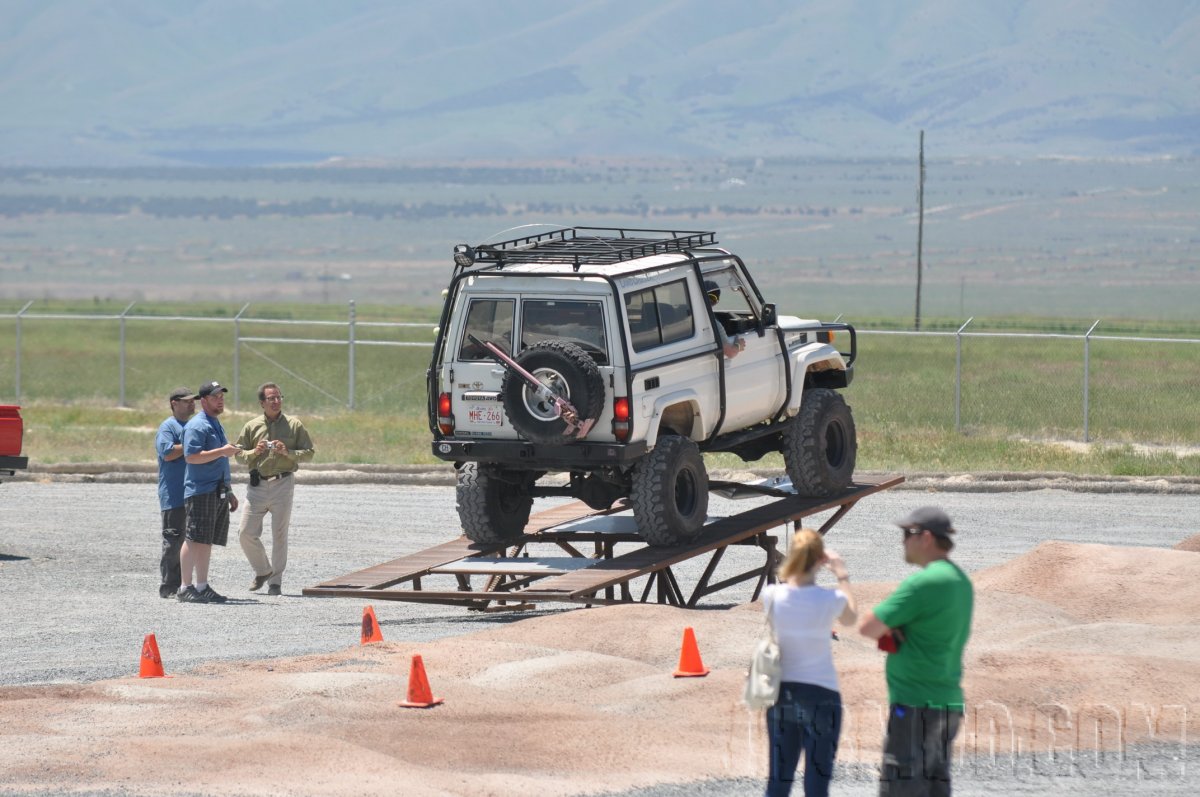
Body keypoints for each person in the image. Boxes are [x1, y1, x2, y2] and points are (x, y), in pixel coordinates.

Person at [858, 506, 974, 797]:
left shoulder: (924, 582)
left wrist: (891, 629)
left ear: (925, 537)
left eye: (907, 534)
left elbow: (868, 627)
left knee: (902, 787)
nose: (902, 541)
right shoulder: (961, 582)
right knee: (935, 787)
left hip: (914, 705)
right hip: (948, 704)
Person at [762, 528, 858, 797]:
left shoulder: (771, 596)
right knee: (817, 785)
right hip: (822, 695)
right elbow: (851, 619)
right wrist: (841, 574)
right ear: (819, 560)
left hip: (783, 694)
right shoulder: (831, 599)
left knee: (779, 782)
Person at [234, 382, 315, 596]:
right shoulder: (251, 426)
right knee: (245, 533)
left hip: (283, 483)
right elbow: (238, 455)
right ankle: (263, 570)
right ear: (262, 403)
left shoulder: (294, 425)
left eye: (279, 397)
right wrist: (254, 452)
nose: (276, 401)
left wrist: (287, 452)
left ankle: (275, 582)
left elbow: (309, 453)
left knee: (280, 534)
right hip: (257, 485)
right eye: (271, 398)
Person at [179, 380, 240, 604]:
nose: (220, 400)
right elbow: (191, 457)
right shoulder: (197, 425)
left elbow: (220, 458)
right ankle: (185, 587)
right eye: (215, 397)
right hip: (200, 490)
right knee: (193, 538)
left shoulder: (215, 423)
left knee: (205, 540)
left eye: (222, 396)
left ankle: (202, 585)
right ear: (203, 401)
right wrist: (222, 451)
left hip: (216, 489)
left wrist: (229, 489)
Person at [154, 387, 195, 598]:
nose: (191, 404)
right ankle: (168, 586)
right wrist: (190, 445)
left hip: (193, 493)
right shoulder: (168, 427)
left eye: (193, 401)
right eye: (186, 401)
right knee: (173, 542)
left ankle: (185, 585)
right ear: (174, 403)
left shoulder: (193, 426)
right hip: (174, 494)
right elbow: (168, 452)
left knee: (190, 541)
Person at [705, 279, 744, 358]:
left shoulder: (684, 312)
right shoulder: (714, 324)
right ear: (717, 302)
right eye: (708, 297)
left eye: (712, 298)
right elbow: (730, 353)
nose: (709, 301)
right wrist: (738, 345)